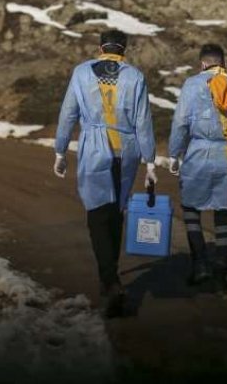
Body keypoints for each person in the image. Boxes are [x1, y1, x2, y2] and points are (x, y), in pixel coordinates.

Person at [54, 28, 158, 317]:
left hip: (95, 148)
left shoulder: (81, 72)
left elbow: (68, 113)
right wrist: (150, 162)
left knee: (97, 214)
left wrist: (60, 150)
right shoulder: (135, 76)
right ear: (123, 50)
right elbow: (143, 122)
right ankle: (110, 275)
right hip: (127, 150)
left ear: (101, 47)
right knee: (116, 211)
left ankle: (109, 281)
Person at [167, 43, 227, 293]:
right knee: (223, 216)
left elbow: (180, 122)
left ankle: (200, 265)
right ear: (223, 63)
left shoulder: (192, 85)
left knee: (190, 208)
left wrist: (174, 154)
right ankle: (221, 273)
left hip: (199, 156)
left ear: (202, 64)